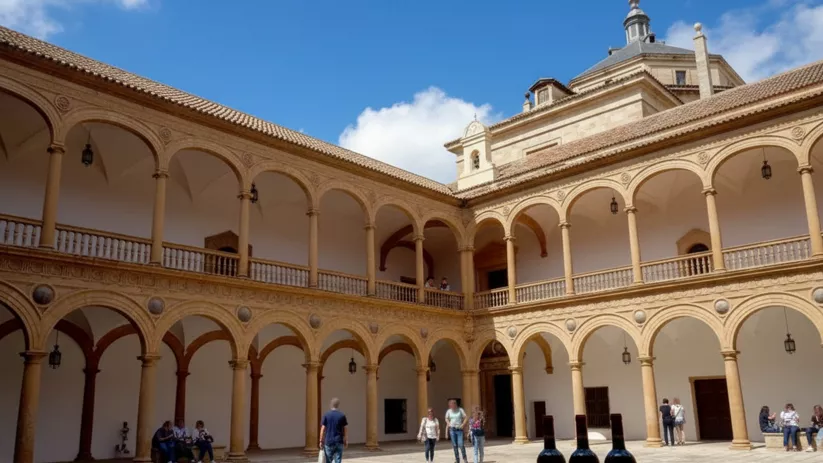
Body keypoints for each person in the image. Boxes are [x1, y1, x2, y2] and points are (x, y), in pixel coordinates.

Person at [319, 397, 348, 463]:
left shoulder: (326, 415)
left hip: (328, 441)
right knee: (338, 460)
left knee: (328, 460)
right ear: (338, 405)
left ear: (331, 405)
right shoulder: (342, 415)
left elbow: (323, 428)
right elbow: (345, 428)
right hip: (339, 441)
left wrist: (321, 440)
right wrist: (345, 440)